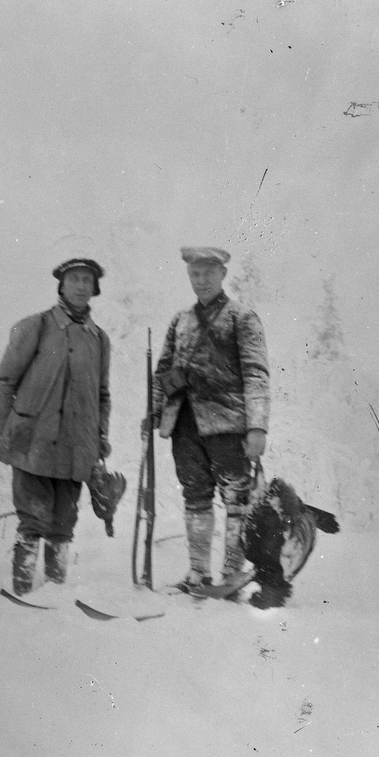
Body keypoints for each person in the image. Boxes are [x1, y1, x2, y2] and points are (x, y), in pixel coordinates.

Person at [150, 246, 270, 594]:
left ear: (222, 275)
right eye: (195, 274)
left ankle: (232, 573)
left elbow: (257, 374)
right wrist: (156, 413)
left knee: (236, 498)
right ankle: (198, 574)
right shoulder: (181, 320)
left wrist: (258, 427)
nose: (201, 281)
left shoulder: (242, 318)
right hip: (185, 426)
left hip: (228, 425)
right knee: (195, 496)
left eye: (207, 274)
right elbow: (164, 372)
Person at [0, 258, 111, 595]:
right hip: (33, 445)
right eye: (74, 279)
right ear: (61, 284)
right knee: (32, 519)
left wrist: (100, 439)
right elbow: (3, 382)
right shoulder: (35, 327)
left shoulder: (99, 340)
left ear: (95, 288)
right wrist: (6, 433)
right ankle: (23, 590)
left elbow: (102, 394)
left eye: (87, 280)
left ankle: (55, 593)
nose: (81, 286)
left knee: (63, 525)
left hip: (77, 447)